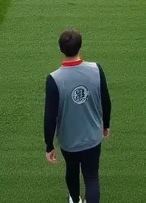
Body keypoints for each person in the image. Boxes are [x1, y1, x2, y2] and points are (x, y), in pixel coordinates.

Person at [45, 29, 111, 203]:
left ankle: (74, 199)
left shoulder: (54, 79)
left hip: (69, 141)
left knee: (72, 171)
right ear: (80, 47)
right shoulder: (96, 69)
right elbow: (106, 100)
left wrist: (49, 145)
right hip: (92, 137)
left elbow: (50, 117)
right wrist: (106, 125)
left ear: (61, 50)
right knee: (91, 176)